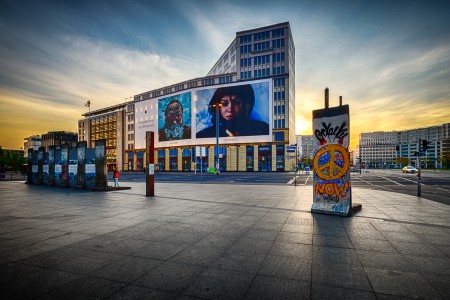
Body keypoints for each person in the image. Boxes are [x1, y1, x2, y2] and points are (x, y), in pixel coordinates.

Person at [196, 84, 269, 138]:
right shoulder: (203, 135)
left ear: (245, 105)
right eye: (224, 104)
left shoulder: (262, 129)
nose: (230, 109)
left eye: (236, 103)